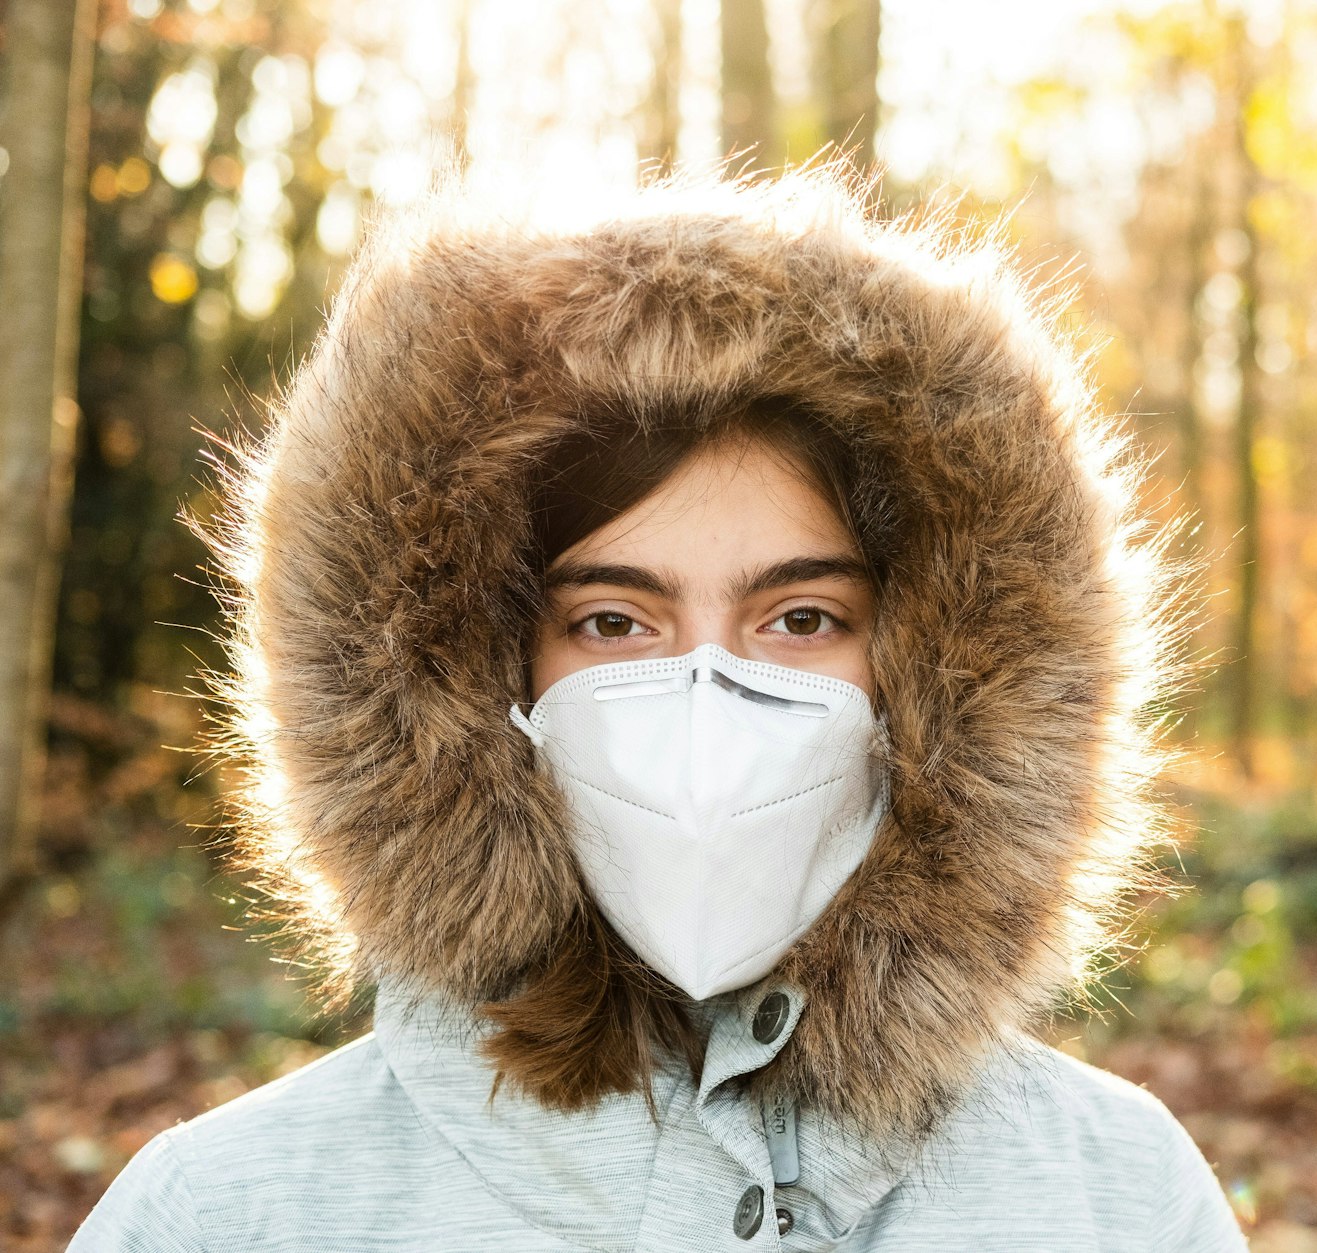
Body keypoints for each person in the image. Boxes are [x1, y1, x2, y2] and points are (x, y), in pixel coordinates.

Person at [70, 165, 1246, 1251]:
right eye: (614, 621)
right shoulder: (226, 1214)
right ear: (487, 676)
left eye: (799, 617)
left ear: (936, 674)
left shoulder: (1118, 1197)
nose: (705, 700)